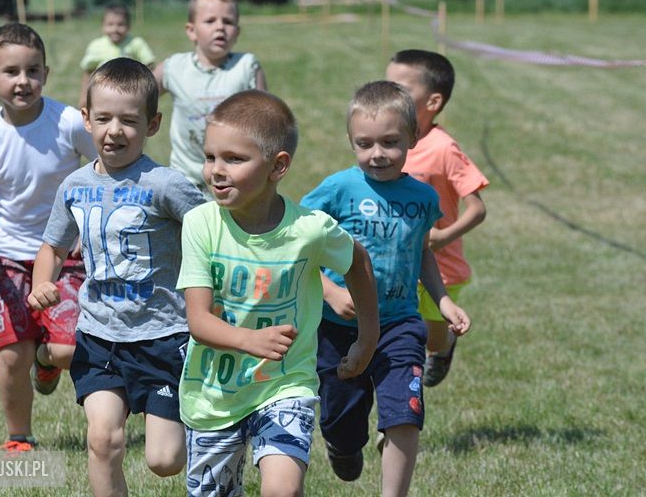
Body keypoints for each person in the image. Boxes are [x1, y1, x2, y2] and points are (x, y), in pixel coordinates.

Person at [177, 89, 380, 496]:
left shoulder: (309, 230)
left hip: (286, 385)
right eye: (210, 157)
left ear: (278, 166)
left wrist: (368, 337)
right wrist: (249, 340)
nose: (217, 170)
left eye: (234, 159)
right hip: (214, 396)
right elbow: (198, 320)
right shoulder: (200, 224)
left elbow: (357, 262)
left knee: (281, 489)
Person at [28, 58, 205, 496]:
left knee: (164, 460)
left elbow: (211, 232)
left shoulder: (165, 184)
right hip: (99, 336)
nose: (114, 130)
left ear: (152, 124)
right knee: (102, 439)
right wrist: (42, 282)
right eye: (104, 118)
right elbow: (53, 247)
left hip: (164, 336)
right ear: (86, 119)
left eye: (129, 120)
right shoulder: (74, 186)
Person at [300, 81, 471, 496]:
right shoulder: (338, 189)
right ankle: (342, 446)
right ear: (351, 141)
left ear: (413, 136)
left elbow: (422, 252)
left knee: (405, 415)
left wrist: (443, 300)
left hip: (400, 325)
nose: (377, 153)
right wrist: (330, 292)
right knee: (341, 420)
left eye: (390, 142)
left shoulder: (423, 197)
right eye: (365, 143)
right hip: (338, 328)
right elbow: (297, 243)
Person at [0, 23, 97, 452]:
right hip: (8, 258)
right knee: (13, 355)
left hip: (66, 255)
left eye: (33, 71)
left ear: (46, 74)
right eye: (11, 71)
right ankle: (19, 435)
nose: (23, 81)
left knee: (68, 350)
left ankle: (46, 360)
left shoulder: (68, 123)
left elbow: (104, 166)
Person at [386, 49, 488, 387]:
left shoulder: (444, 149)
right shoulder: (387, 143)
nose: (390, 96)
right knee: (400, 331)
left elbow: (477, 208)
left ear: (433, 102)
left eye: (401, 89)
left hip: (441, 266)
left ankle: (444, 346)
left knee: (433, 336)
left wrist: (442, 237)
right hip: (398, 261)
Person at [153, 0, 267, 193]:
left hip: (234, 180)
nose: (220, 27)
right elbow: (137, 97)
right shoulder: (174, 68)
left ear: (237, 32)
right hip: (185, 180)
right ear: (191, 30)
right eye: (210, 21)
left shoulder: (247, 67)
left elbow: (266, 120)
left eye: (228, 21)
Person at [78, 2, 156, 109]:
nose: (115, 29)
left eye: (120, 24)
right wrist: (84, 96)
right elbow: (88, 72)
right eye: (110, 24)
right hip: (102, 95)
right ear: (103, 26)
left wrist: (145, 91)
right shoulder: (96, 46)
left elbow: (150, 65)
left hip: (130, 95)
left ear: (128, 26)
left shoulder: (136, 44)